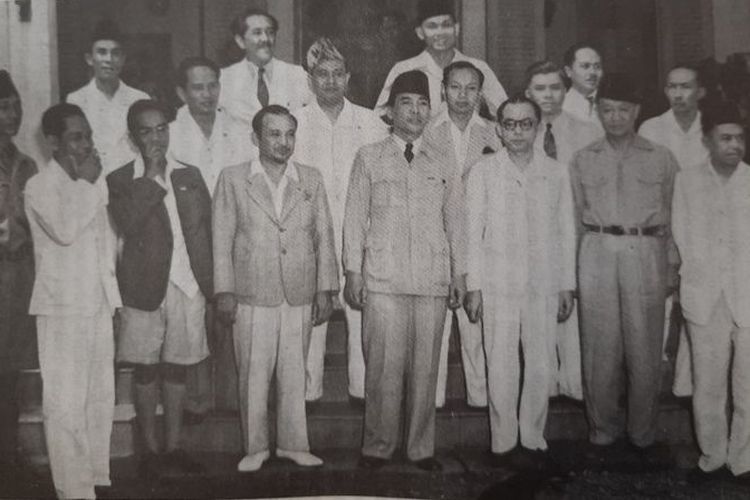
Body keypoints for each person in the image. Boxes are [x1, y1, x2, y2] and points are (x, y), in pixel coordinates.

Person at [344, 70, 466, 472]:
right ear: (391, 111)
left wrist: (459, 275)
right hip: (383, 279)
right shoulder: (369, 157)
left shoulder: (443, 161)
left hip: (431, 279)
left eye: (422, 103)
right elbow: (354, 218)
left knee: (425, 371)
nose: (415, 111)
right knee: (382, 369)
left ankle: (420, 449)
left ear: (431, 111)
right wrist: (354, 272)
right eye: (406, 103)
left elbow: (456, 222)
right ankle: (377, 447)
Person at [213, 105, 338, 472]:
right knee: (253, 373)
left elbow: (324, 237)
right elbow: (221, 239)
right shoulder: (234, 179)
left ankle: (293, 444)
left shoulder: (310, 179)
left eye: (289, 134)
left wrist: (325, 288)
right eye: (274, 134)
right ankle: (255, 448)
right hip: (252, 292)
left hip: (298, 290)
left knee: (294, 373)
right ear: (256, 138)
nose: (284, 142)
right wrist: (225, 290)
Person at [570, 73, 680, 457]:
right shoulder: (583, 159)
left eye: (623, 110)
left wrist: (670, 265)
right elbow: (572, 218)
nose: (615, 117)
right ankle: (601, 432)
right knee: (599, 347)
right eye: (608, 110)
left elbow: (672, 215)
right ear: (599, 112)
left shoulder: (661, 157)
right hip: (597, 249)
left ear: (636, 112)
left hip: (645, 250)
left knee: (644, 347)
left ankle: (642, 435)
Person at [464, 95, 576, 468]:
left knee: (541, 360)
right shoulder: (483, 171)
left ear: (538, 127)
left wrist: (565, 284)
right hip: (498, 283)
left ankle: (532, 434)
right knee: (501, 361)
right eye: (509, 124)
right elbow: (471, 233)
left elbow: (565, 233)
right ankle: (503, 439)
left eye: (524, 124)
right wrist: (474, 286)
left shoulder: (556, 172)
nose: (516, 132)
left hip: (542, 282)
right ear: (498, 129)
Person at [107, 100, 213, 477]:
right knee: (147, 369)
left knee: (177, 368)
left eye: (161, 128)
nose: (156, 137)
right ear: (133, 137)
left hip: (186, 285)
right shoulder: (120, 179)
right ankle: (150, 450)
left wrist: (212, 285)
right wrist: (151, 175)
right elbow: (128, 224)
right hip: (143, 288)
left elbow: (204, 232)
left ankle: (174, 447)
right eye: (146, 131)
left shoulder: (190, 174)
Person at [25, 103, 121, 499]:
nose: (85, 145)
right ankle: (73, 491)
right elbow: (65, 230)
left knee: (100, 397)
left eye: (88, 136)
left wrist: (113, 302)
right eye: (75, 137)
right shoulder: (39, 185)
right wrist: (88, 183)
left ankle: (95, 477)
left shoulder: (91, 181)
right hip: (61, 309)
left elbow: (105, 245)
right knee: (65, 405)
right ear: (53, 143)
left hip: (96, 304)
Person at [294, 38, 388, 404]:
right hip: (311, 234)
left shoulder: (371, 123)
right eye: (322, 74)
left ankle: (363, 394)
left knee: (361, 314)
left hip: (359, 234)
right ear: (310, 80)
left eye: (337, 74)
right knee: (312, 318)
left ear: (348, 78)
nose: (330, 81)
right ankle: (307, 396)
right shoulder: (296, 123)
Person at [170, 56, 255, 418]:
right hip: (185, 245)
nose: (206, 94)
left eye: (211, 85)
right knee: (192, 328)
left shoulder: (238, 129)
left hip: (233, 239)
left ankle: (234, 404)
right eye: (197, 87)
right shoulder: (170, 133)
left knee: (232, 323)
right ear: (182, 92)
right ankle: (198, 405)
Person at [672, 101, 750, 483]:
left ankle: (744, 460)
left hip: (748, 295)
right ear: (708, 141)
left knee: (748, 386)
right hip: (705, 297)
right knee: (708, 385)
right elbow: (682, 235)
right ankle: (713, 457)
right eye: (726, 138)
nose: (734, 145)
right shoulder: (687, 181)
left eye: (739, 138)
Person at [524, 60, 601, 401]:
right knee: (539, 317)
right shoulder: (519, 130)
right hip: (533, 238)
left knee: (574, 317)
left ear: (565, 90)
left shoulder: (588, 131)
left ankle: (576, 385)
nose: (548, 95)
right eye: (540, 88)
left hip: (576, 234)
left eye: (555, 87)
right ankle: (546, 387)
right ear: (528, 93)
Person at [425, 60, 499, 409]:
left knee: (476, 331)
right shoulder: (426, 131)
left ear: (480, 94)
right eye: (455, 87)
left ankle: (480, 402)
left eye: (471, 88)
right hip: (435, 243)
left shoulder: (495, 135)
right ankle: (433, 403)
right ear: (443, 89)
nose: (463, 95)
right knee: (435, 332)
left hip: (479, 245)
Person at [639, 64, 709, 397]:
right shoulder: (652, 129)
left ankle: (685, 384)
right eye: (672, 87)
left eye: (686, 86)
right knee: (660, 305)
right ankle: (652, 380)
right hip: (661, 227)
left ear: (701, 91)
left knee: (697, 306)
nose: (679, 94)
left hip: (703, 231)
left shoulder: (711, 130)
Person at [374, 0, 506, 118]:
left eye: (446, 25)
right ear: (420, 32)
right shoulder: (404, 69)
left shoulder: (478, 67)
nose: (440, 33)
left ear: (456, 28)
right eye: (432, 26)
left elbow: (504, 112)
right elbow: (381, 117)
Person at [0, 71, 38, 479]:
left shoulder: (26, 164)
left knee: (8, 375)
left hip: (16, 286)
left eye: (15, 106)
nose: (12, 115)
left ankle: (7, 457)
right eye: (3, 108)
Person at [66, 21, 149, 173]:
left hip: (132, 182)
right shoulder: (76, 101)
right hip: (94, 182)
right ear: (89, 59)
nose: (109, 59)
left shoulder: (139, 99)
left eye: (115, 53)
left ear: (123, 59)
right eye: (102, 52)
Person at [219, 9, 312, 124]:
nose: (265, 39)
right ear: (240, 41)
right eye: (257, 33)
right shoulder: (224, 79)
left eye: (270, 32)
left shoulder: (297, 75)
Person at [562, 43, 604, 131]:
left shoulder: (611, 104)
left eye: (597, 67)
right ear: (568, 71)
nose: (593, 72)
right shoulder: (561, 107)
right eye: (585, 66)